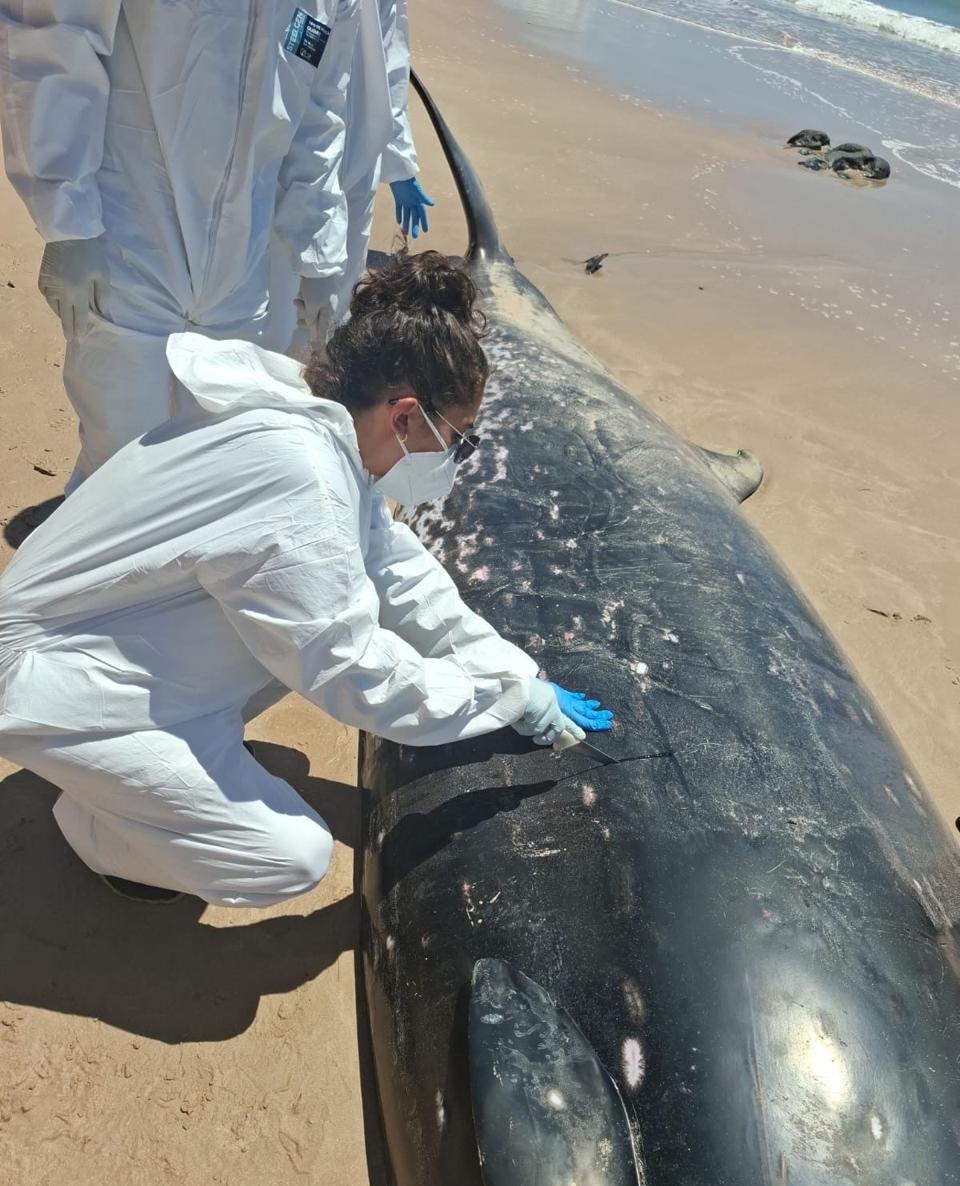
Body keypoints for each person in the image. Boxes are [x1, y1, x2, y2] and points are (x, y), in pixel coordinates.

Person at [0, 252, 612, 908]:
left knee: (303, 631)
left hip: (100, 632)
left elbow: (396, 570)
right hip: (48, 677)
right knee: (286, 857)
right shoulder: (301, 482)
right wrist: (498, 698)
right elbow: (356, 676)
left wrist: (512, 670)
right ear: (405, 416)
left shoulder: (309, 427)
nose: (452, 459)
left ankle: (123, 777)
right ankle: (95, 825)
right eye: (456, 439)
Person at [0, 0, 386, 492]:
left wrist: (320, 250)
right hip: (131, 231)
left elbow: (320, 112)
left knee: (211, 453)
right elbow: (57, 34)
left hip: (244, 265)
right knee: (116, 452)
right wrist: (68, 215)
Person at [295, 0, 434, 349]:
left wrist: (399, 163)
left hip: (359, 156)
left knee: (338, 307)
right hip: (286, 153)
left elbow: (390, 67)